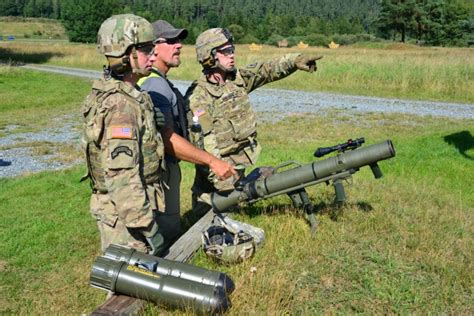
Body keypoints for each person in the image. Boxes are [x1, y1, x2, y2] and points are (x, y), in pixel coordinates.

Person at [185, 28, 322, 217]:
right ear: (210, 57)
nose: (232, 55)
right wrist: (223, 181)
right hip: (217, 176)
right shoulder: (199, 97)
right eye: (225, 51)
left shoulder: (236, 80)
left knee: (234, 212)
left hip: (238, 165)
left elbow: (266, 70)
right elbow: (204, 144)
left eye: (232, 49)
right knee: (209, 219)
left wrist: (295, 60)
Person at [138, 21, 236, 246]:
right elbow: (166, 138)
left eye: (179, 40)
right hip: (161, 173)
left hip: (164, 171)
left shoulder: (158, 81)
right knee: (166, 235)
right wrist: (212, 161)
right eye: (171, 41)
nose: (179, 45)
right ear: (153, 46)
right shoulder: (156, 86)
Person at [80, 14, 167, 255]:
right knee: (129, 284)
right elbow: (121, 174)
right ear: (125, 55)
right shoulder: (121, 105)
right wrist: (146, 226)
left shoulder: (124, 92)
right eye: (146, 49)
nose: (153, 55)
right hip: (126, 215)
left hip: (129, 208)